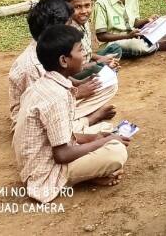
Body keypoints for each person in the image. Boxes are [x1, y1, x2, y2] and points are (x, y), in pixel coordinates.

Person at [13, 24, 129, 203]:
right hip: (44, 173)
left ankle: (90, 169)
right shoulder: (57, 97)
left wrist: (95, 137)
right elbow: (62, 155)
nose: (84, 55)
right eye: (80, 50)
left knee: (105, 129)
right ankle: (73, 180)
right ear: (63, 61)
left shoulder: (46, 84)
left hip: (36, 161)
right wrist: (105, 141)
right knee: (116, 152)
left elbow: (61, 135)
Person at [8, 0, 116, 133]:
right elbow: (39, 106)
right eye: (68, 25)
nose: (70, 29)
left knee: (108, 85)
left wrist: (79, 83)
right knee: (107, 132)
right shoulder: (31, 66)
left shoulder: (51, 48)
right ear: (54, 29)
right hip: (33, 123)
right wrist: (77, 94)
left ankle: (77, 120)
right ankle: (86, 121)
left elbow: (57, 77)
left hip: (59, 102)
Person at [63, 0, 122, 79]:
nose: (83, 11)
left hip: (88, 61)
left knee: (115, 48)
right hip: (77, 70)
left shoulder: (84, 21)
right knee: (95, 69)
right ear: (67, 8)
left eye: (87, 5)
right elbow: (72, 67)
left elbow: (87, 53)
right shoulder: (69, 30)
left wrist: (101, 58)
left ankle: (105, 69)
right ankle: (105, 70)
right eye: (77, 7)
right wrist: (99, 62)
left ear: (92, 4)